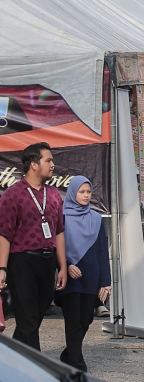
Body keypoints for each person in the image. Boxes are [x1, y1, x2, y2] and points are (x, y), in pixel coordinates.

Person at [0, 143, 68, 350]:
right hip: (22, 262)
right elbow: (4, 234)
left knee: (34, 319)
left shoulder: (54, 194)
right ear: (34, 165)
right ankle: (36, 371)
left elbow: (59, 232)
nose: (52, 164)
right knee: (27, 319)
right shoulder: (13, 194)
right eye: (48, 160)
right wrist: (2, 268)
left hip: (48, 262)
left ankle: (12, 358)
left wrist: (62, 266)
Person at [56, 175, 110, 371]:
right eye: (82, 192)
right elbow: (56, 246)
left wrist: (106, 281)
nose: (86, 195)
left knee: (86, 319)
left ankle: (68, 354)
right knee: (73, 321)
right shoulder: (61, 217)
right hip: (70, 277)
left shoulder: (96, 219)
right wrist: (67, 264)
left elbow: (103, 251)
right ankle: (78, 364)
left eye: (88, 192)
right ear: (73, 193)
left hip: (91, 276)